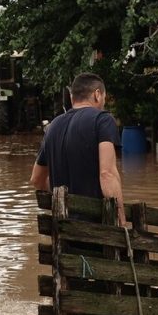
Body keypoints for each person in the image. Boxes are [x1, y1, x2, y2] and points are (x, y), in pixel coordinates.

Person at [30, 73, 126, 226]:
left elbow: (37, 179)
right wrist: (121, 221)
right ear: (97, 94)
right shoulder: (103, 120)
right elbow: (107, 174)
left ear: (71, 96)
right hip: (95, 231)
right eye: (104, 98)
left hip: (63, 230)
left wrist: (65, 200)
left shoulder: (53, 126)